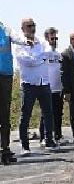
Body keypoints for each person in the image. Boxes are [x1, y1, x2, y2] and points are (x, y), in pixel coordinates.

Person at [14, 18, 57, 155]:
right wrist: (41, 58)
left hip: (43, 82)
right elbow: (27, 61)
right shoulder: (19, 44)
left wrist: (39, 57)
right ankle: (25, 146)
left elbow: (50, 53)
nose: (32, 28)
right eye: (29, 26)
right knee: (26, 114)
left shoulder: (41, 42)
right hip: (29, 84)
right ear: (23, 28)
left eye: (33, 25)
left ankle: (49, 140)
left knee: (48, 113)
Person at [0, 20, 29, 164]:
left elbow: (18, 38)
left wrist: (26, 41)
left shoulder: (6, 30)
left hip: (5, 74)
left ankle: (4, 148)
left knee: (5, 113)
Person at [39, 27, 64, 145]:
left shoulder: (58, 54)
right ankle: (43, 137)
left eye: (56, 38)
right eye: (52, 38)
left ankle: (58, 135)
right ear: (46, 38)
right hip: (48, 87)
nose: (54, 40)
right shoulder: (44, 52)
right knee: (46, 113)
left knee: (58, 113)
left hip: (58, 88)